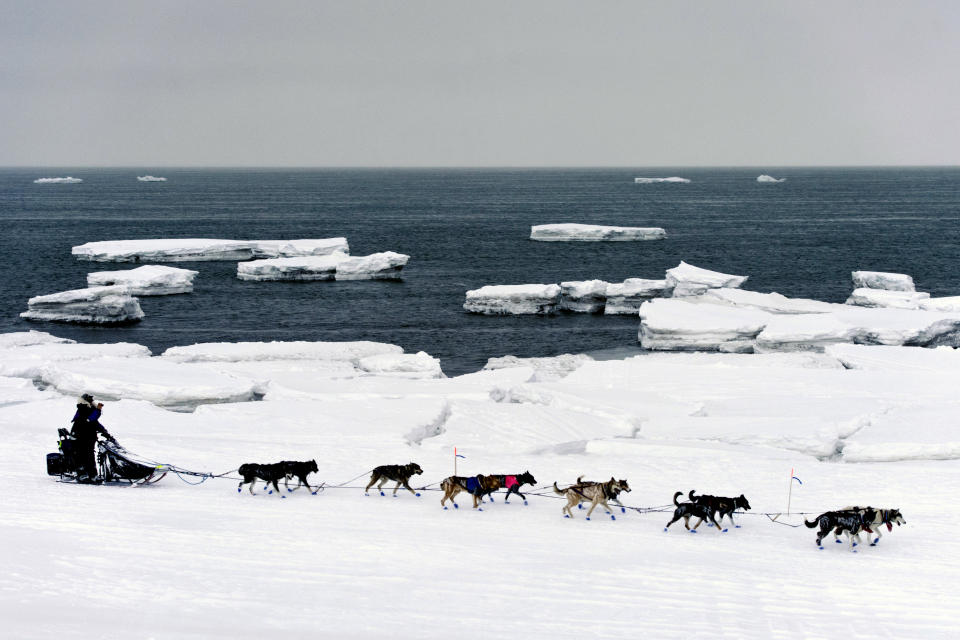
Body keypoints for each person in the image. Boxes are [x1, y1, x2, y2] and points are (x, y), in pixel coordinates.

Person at [69, 393, 115, 482]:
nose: (92, 401)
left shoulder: (89, 409)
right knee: (82, 455)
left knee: (89, 456)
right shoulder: (83, 408)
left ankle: (92, 475)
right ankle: (83, 474)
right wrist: (98, 411)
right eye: (90, 400)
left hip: (89, 437)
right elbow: (91, 420)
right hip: (80, 436)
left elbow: (94, 422)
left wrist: (104, 432)